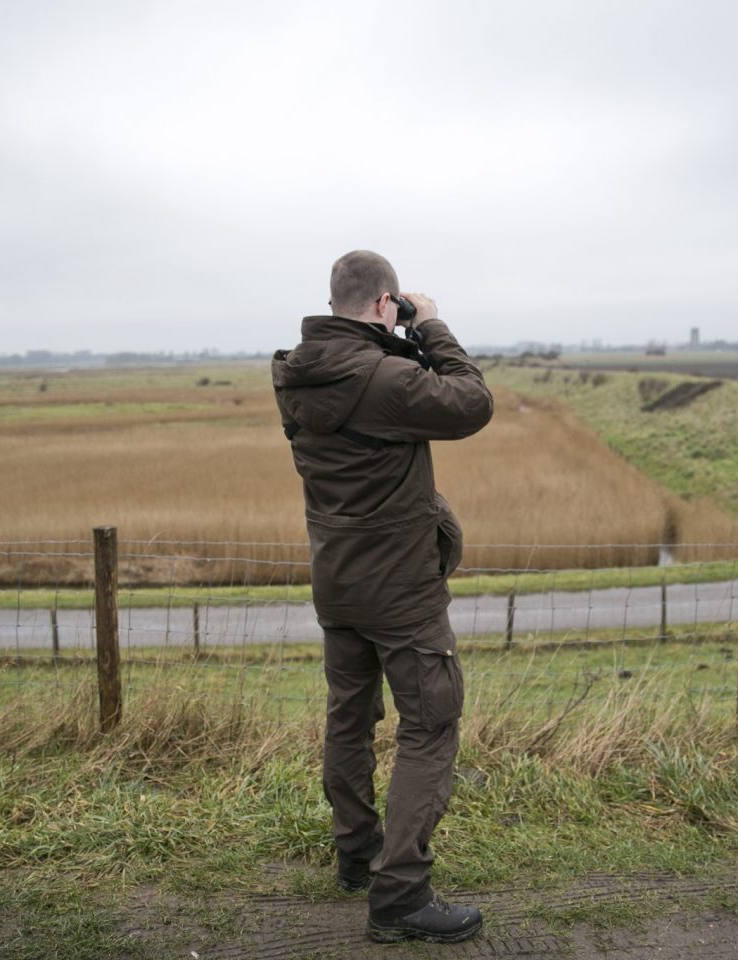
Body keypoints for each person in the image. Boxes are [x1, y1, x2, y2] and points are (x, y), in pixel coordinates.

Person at [271, 250, 494, 944]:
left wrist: (397, 337)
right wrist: (430, 326)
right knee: (430, 725)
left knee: (349, 718)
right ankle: (400, 896)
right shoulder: (385, 376)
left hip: (337, 578)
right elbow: (471, 402)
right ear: (382, 303)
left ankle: (357, 855)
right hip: (400, 587)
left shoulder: (295, 374)